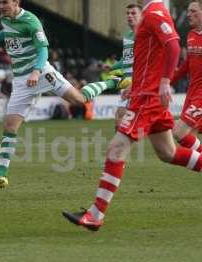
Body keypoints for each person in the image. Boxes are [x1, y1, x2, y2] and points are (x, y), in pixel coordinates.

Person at [63, 0, 202, 231]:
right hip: (144, 93)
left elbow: (173, 45)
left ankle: (95, 214)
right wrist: (135, 85)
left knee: (116, 148)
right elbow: (151, 57)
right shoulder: (149, 13)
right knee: (168, 153)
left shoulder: (155, 11)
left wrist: (165, 81)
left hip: (147, 99)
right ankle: (95, 214)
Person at [0, 0, 101, 191]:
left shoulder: (31, 21)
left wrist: (36, 71)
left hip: (42, 73)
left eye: (6, 2)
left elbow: (43, 50)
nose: (1, 6)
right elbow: (7, 32)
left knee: (79, 100)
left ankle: (111, 82)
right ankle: (1, 175)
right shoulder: (5, 18)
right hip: (21, 81)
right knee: (10, 126)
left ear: (16, 2)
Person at [105, 4, 142, 130]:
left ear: (142, 16)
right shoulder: (127, 36)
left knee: (121, 116)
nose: (130, 16)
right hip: (128, 82)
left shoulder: (145, 36)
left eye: (133, 13)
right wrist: (112, 67)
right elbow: (125, 58)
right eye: (128, 13)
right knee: (120, 116)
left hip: (139, 82)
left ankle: (118, 147)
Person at [171, 1, 202, 153]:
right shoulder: (191, 35)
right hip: (192, 92)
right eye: (188, 11)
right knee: (187, 135)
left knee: (179, 132)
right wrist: (167, 82)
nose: (189, 14)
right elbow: (186, 65)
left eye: (193, 11)